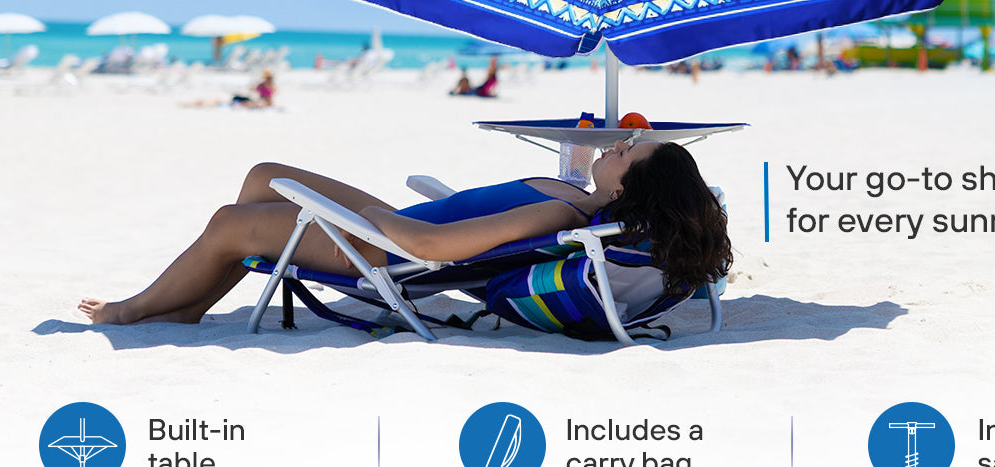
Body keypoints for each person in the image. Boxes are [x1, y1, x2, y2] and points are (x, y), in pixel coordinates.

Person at [79, 141, 733, 326]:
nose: (618, 144)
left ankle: (132, 309)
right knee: (263, 175)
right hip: (393, 228)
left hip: (384, 248)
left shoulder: (560, 215)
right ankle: (188, 306)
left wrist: (372, 219)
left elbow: (434, 250)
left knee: (231, 222)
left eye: (627, 152)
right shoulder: (575, 196)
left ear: (624, 189)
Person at [182, 70, 276, 109]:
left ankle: (197, 103)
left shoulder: (271, 86)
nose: (264, 78)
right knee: (227, 100)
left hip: (261, 102)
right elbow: (252, 89)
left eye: (266, 77)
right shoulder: (261, 85)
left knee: (225, 102)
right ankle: (196, 103)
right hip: (255, 101)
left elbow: (269, 99)